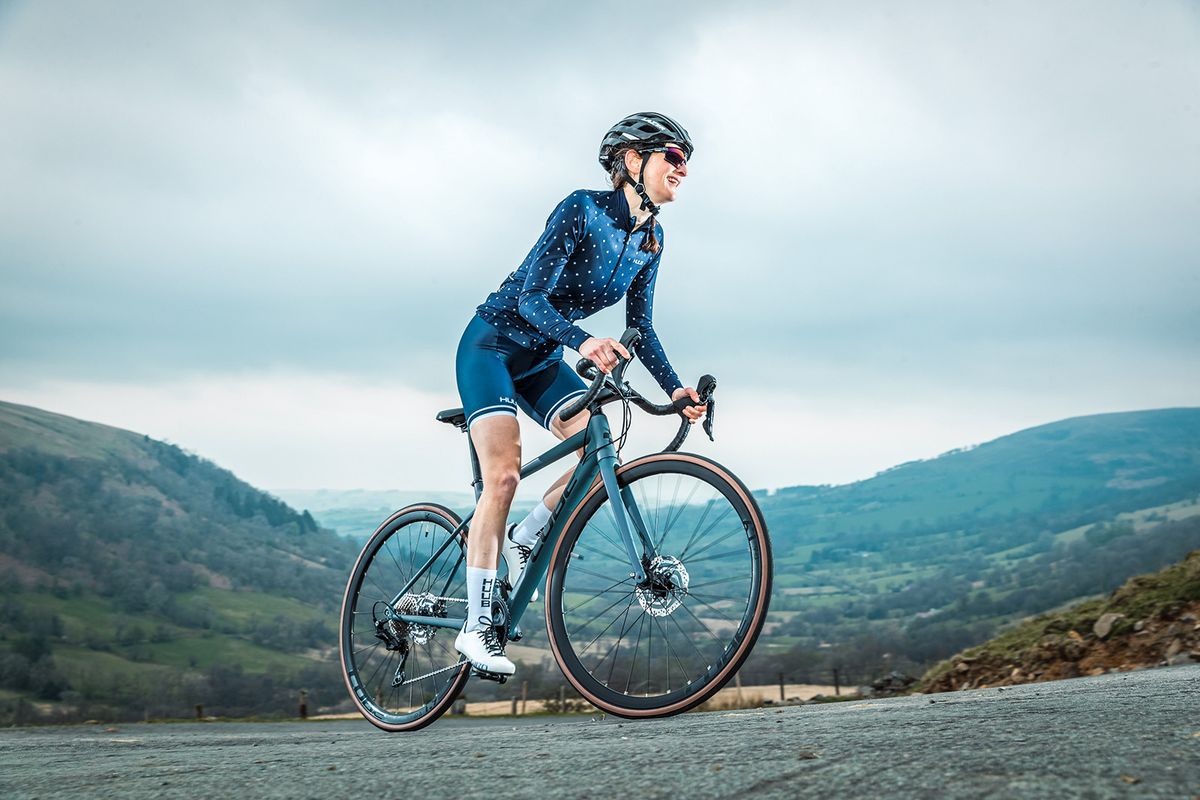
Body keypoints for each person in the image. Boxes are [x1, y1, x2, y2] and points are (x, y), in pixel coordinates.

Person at [453, 112, 706, 675]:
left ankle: (526, 537)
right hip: (493, 345)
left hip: (542, 358)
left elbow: (643, 324)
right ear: (632, 160)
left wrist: (675, 388)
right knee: (505, 475)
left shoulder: (651, 238)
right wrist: (585, 340)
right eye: (673, 155)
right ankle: (475, 629)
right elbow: (531, 299)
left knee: (603, 443)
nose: (683, 168)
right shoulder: (582, 209)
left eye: (688, 160)